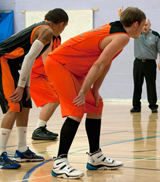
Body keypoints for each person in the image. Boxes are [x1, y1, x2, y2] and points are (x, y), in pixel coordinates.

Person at [44, 7, 146, 179]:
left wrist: (95, 90)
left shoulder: (119, 32)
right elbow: (98, 65)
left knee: (95, 104)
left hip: (71, 69)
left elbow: (106, 63)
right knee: (77, 107)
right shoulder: (122, 37)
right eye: (143, 25)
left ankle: (95, 157)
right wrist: (83, 91)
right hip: (59, 64)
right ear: (135, 24)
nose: (143, 28)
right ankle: (60, 162)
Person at [0, 8, 68, 169]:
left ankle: (22, 150)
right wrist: (20, 86)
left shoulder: (44, 30)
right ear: (61, 24)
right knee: (13, 106)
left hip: (11, 65)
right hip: (0, 61)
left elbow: (28, 60)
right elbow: (29, 58)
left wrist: (27, 87)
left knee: (25, 104)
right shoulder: (47, 32)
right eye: (65, 27)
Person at [118, 7, 160, 113]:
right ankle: (136, 106)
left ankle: (153, 106)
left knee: (151, 85)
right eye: (143, 25)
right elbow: (125, 27)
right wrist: (120, 15)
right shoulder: (137, 34)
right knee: (137, 85)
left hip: (150, 63)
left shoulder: (155, 35)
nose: (144, 27)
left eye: (146, 25)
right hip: (138, 63)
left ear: (150, 25)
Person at [30, 35, 61, 140]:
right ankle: (39, 129)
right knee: (53, 100)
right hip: (35, 74)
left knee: (57, 98)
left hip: (43, 74)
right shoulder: (48, 37)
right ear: (61, 24)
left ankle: (41, 128)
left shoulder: (58, 37)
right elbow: (46, 59)